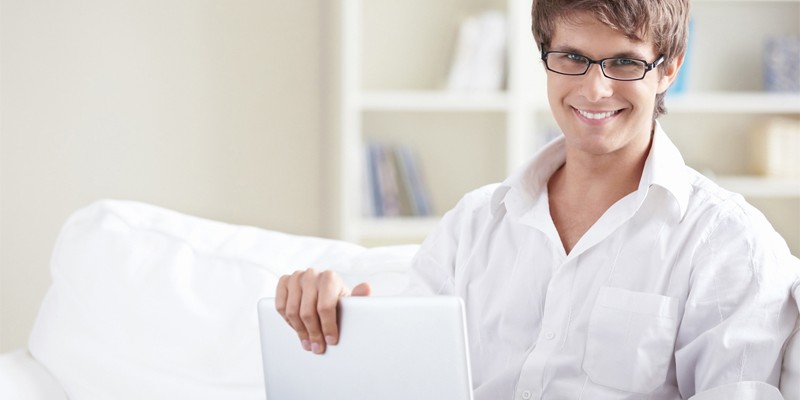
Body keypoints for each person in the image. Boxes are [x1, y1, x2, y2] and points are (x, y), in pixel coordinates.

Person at [276, 0, 800, 398]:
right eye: (572, 57)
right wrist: (334, 319)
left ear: (669, 68)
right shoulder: (473, 225)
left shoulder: (729, 244)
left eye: (624, 62)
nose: (595, 90)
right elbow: (403, 380)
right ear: (545, 59)